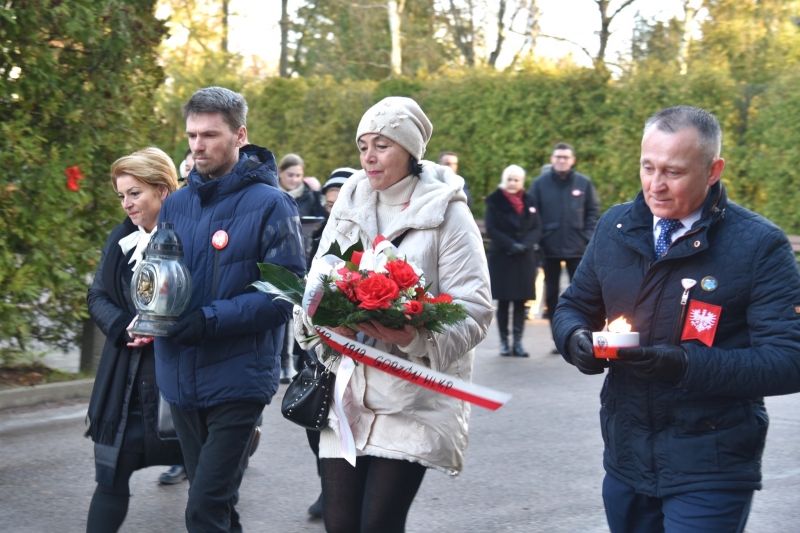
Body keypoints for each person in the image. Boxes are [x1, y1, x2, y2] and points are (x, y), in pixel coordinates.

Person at [553, 105, 800, 533]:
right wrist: (575, 340)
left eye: (673, 172)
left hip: (712, 464)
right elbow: (573, 305)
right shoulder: (615, 226)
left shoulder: (761, 245)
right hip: (627, 459)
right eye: (647, 167)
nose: (656, 185)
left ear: (713, 170)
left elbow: (788, 360)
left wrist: (684, 366)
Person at [297, 96, 493, 533]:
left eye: (382, 144)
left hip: (412, 397)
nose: (368, 155)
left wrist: (410, 335)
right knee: (340, 525)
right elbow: (316, 283)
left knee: (379, 525)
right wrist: (323, 316)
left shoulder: (449, 214)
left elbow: (475, 309)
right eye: (363, 144)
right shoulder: (347, 204)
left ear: (409, 151)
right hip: (346, 394)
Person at [153, 86, 306, 532]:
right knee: (218, 507)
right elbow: (161, 279)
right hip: (179, 376)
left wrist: (208, 319)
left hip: (238, 380)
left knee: (202, 508)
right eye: (191, 135)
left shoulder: (273, 204)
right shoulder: (176, 203)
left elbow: (284, 295)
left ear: (240, 135)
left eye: (209, 135)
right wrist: (149, 310)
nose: (197, 146)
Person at [85, 147, 183, 532]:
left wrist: (159, 328)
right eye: (121, 195)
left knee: (211, 495)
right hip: (122, 385)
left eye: (135, 193)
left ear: (162, 189)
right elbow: (97, 296)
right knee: (109, 481)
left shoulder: (190, 236)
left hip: (176, 382)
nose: (126, 204)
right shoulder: (121, 236)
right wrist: (127, 325)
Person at [528, 142, 599, 346]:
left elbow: (593, 210)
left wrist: (586, 236)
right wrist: (539, 238)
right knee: (551, 295)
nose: (561, 160)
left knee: (583, 293)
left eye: (565, 157)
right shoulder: (540, 184)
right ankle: (557, 336)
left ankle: (584, 335)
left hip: (577, 249)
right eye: (558, 157)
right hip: (549, 248)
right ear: (552, 159)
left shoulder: (583, 183)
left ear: (572, 160)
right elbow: (532, 213)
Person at [277, 153, 328, 383]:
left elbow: (323, 222)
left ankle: (296, 361)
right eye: (290, 175)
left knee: (299, 312)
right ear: (280, 173)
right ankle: (281, 361)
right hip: (278, 257)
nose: (295, 179)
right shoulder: (273, 195)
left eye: (299, 175)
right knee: (281, 313)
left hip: (304, 257)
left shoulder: (310, 197)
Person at [485, 164, 541, 357]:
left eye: (516, 180)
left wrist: (524, 245)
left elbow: (537, 228)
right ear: (504, 180)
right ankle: (504, 343)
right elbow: (492, 228)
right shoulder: (494, 200)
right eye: (509, 179)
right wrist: (511, 245)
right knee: (504, 301)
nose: (512, 183)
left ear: (522, 182)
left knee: (520, 301)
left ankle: (517, 342)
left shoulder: (531, 200)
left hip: (524, 258)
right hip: (503, 257)